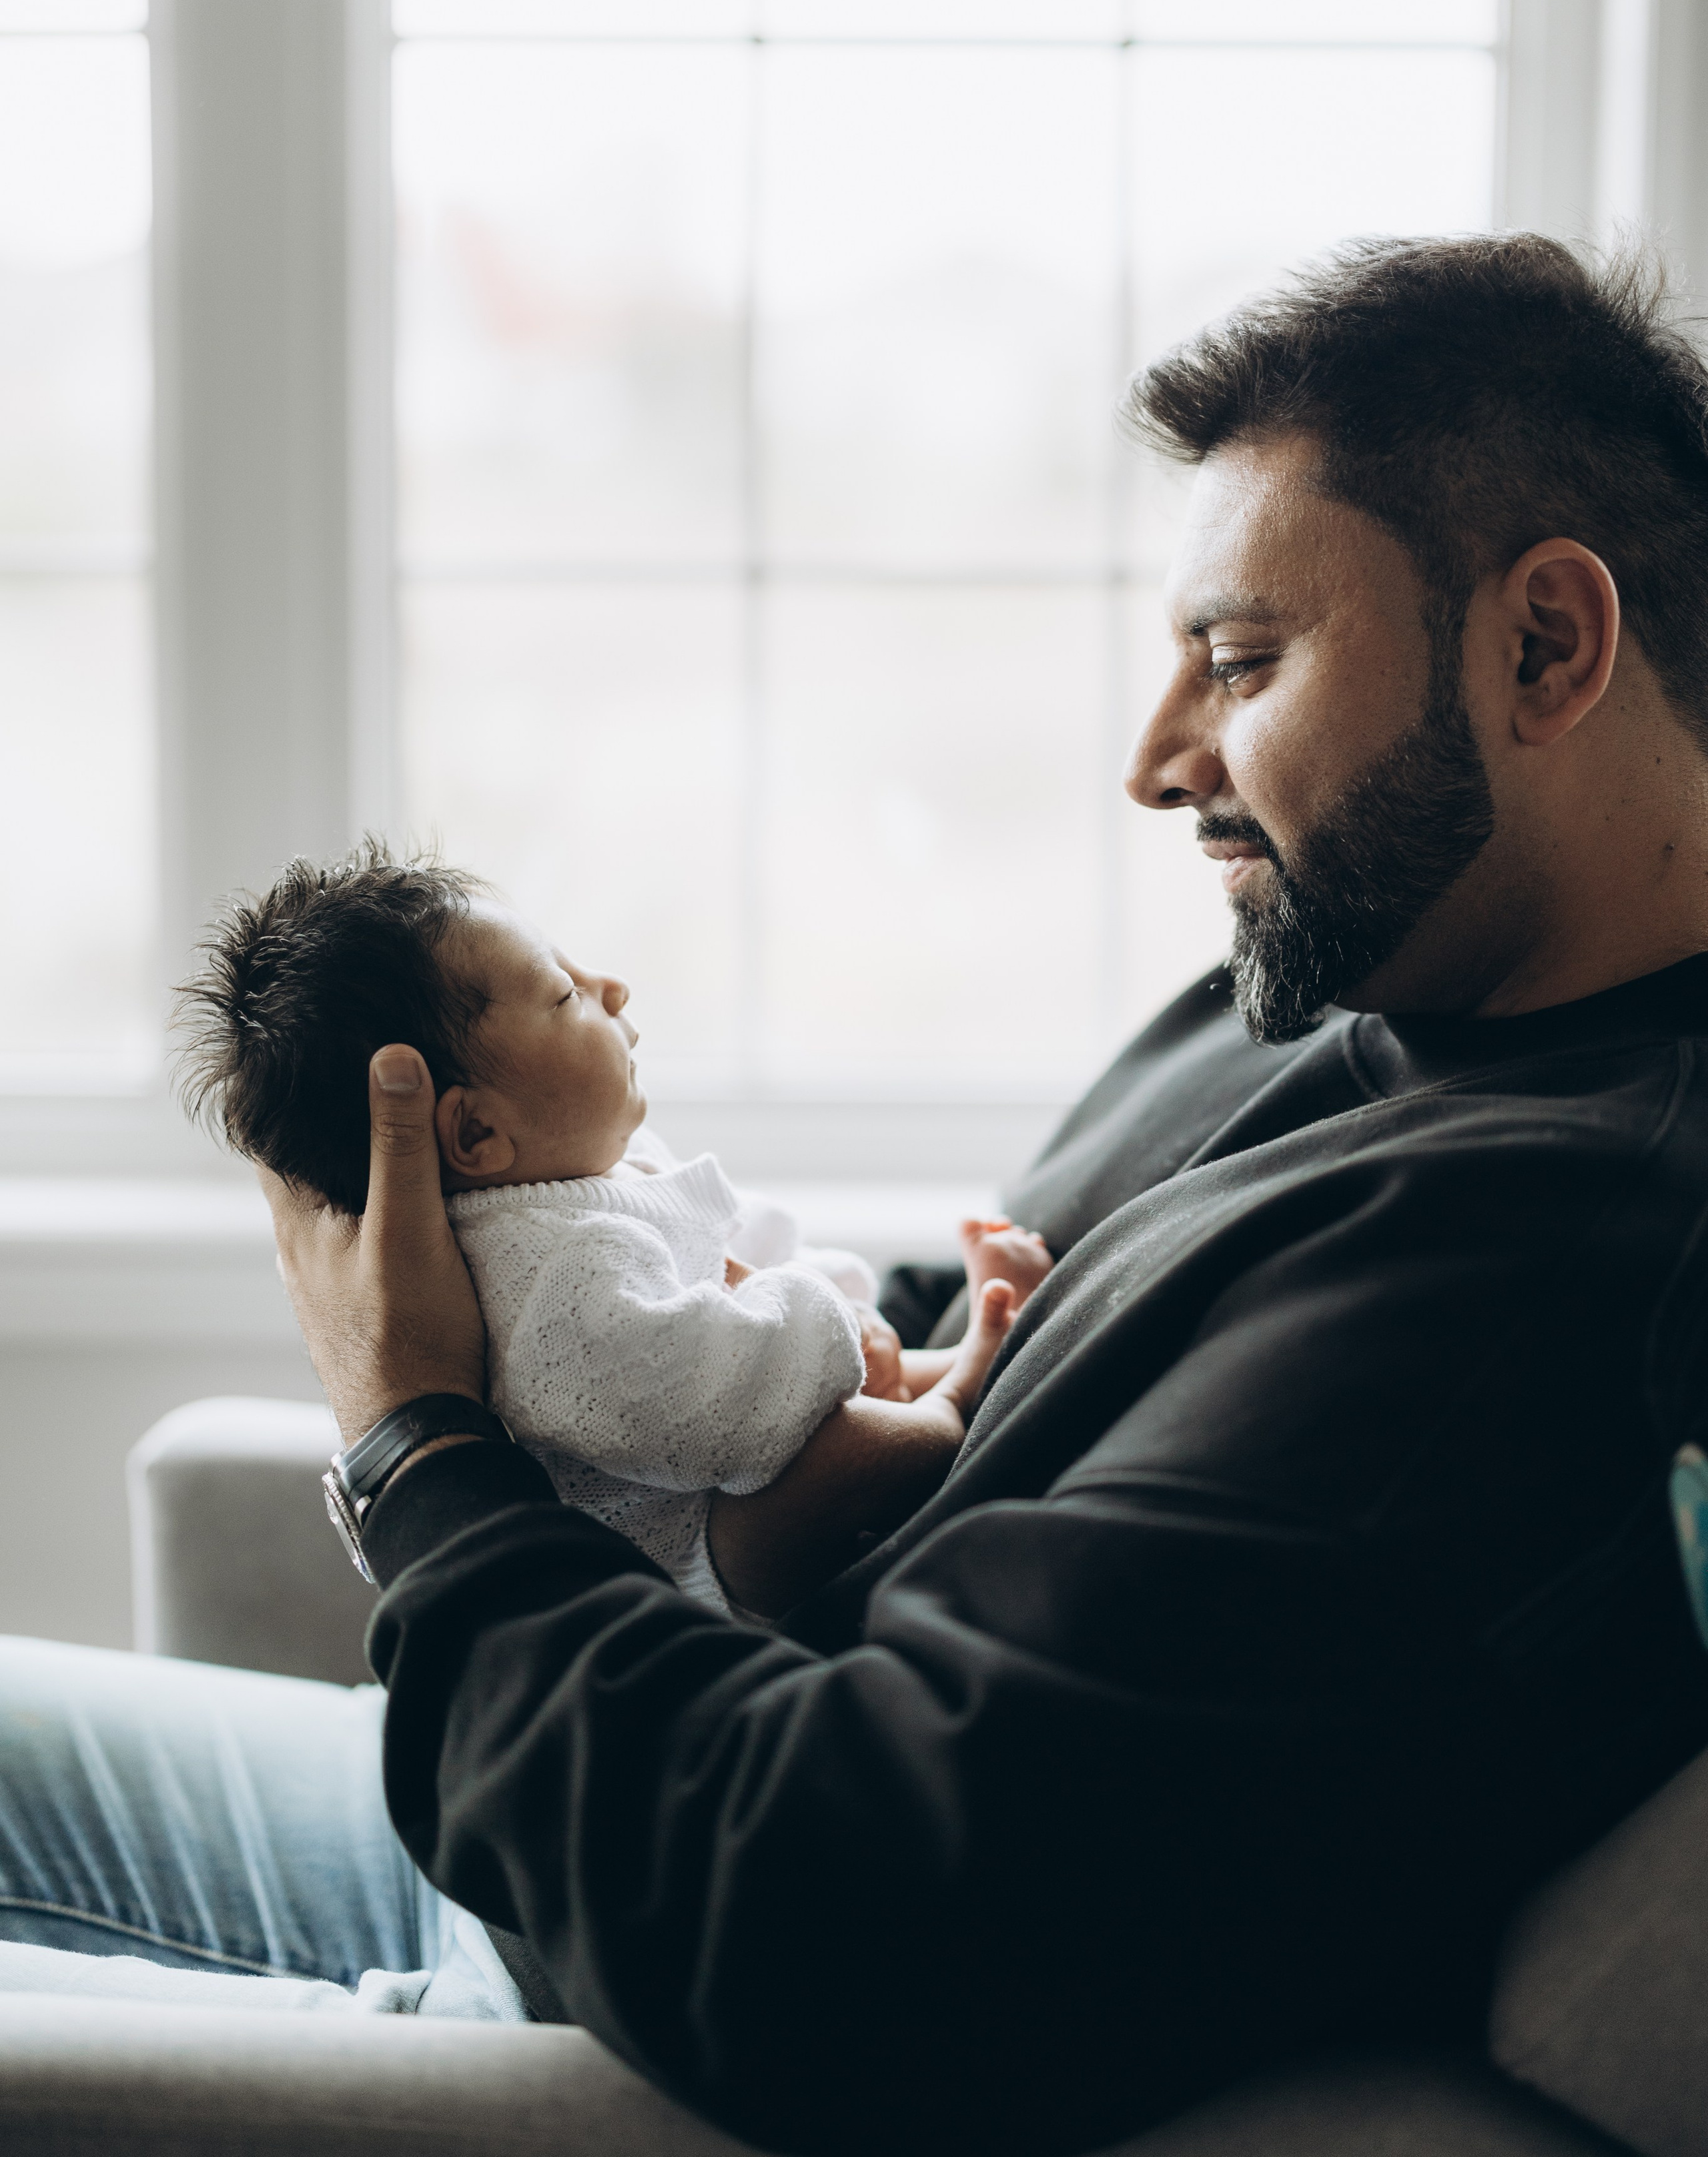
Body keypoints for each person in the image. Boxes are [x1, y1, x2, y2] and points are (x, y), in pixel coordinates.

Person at [5, 233, 1708, 2157]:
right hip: (564, 1790)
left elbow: (819, 1919)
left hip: (611, 1962)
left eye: (1241, 663)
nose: (1158, 762)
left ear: (1544, 646)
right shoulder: (1356, 981)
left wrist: (419, 1442)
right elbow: (946, 1324)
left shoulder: (1531, 1273)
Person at [173, 849, 1046, 1609]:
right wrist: (827, 1323)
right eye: (564, 994)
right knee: (845, 1458)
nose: (612, 988)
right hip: (693, 1560)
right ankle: (961, 1395)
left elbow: (726, 1252)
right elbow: (699, 1404)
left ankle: (943, 1358)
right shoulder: (542, 1276)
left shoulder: (570, 1178)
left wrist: (829, 1311)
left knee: (833, 1386)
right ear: (476, 1132)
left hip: (743, 1425)